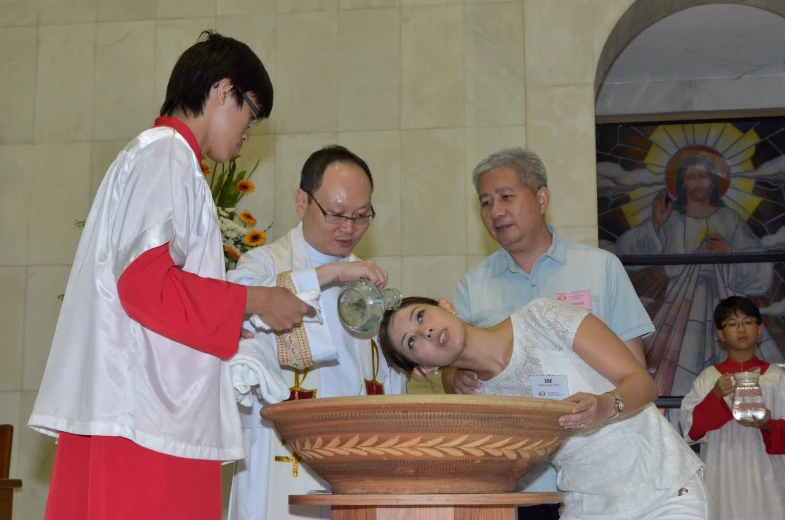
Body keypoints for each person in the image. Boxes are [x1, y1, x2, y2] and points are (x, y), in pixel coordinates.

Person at [28, 31, 314, 520]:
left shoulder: (157, 156)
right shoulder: (165, 155)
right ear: (224, 91)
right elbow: (144, 285)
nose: (250, 133)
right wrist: (255, 302)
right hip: (144, 417)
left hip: (137, 410)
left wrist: (232, 324)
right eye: (252, 113)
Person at [444, 147, 654, 515]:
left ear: (541, 198)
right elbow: (453, 372)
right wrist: (454, 377)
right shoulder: (472, 287)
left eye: (506, 197)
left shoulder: (600, 267)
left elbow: (635, 370)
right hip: (516, 477)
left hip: (602, 475)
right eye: (485, 202)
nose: (496, 212)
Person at [380, 296, 709, 520]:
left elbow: (642, 382)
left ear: (446, 306)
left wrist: (607, 404)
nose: (425, 331)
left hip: (665, 490)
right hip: (590, 507)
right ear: (424, 369)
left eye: (421, 316)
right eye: (412, 342)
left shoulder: (543, 316)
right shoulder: (477, 404)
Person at [227, 145, 407, 520]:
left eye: (362, 216)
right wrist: (329, 275)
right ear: (301, 202)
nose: (349, 229)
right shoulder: (262, 263)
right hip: (278, 460)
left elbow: (389, 375)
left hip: (357, 463)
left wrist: (416, 351)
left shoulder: (370, 281)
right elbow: (235, 310)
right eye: (336, 214)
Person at [614, 155, 776, 396]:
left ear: (713, 182)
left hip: (726, 302)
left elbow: (760, 266)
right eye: (691, 177)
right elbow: (625, 253)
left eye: (704, 176)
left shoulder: (729, 219)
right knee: (679, 373)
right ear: (682, 184)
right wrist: (656, 226)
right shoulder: (671, 220)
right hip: (681, 309)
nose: (698, 182)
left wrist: (729, 252)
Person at [679, 296, 785, 520]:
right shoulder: (709, 379)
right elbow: (690, 431)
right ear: (720, 334)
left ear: (759, 329)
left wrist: (768, 425)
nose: (741, 329)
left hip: (767, 473)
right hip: (723, 472)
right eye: (733, 324)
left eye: (747, 322)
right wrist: (716, 396)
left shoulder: (777, 379)